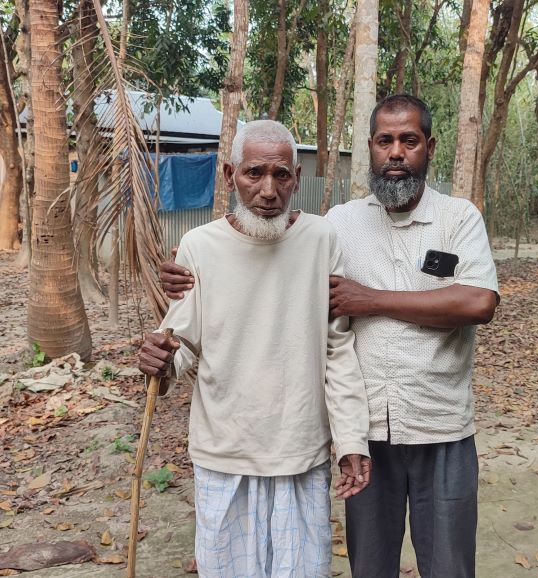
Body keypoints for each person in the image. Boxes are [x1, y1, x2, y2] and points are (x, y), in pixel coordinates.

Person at [161, 95, 499, 577]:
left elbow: (479, 303)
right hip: (369, 432)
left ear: (430, 147)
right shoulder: (341, 223)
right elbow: (270, 235)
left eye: (409, 141)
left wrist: (372, 299)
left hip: (440, 422)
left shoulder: (458, 218)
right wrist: (197, 256)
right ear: (370, 147)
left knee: (449, 566)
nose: (396, 152)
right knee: (370, 566)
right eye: (385, 141)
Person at [138, 119, 371, 578]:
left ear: (296, 179)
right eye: (254, 173)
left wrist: (351, 440)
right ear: (230, 176)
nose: (268, 190)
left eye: (281, 175)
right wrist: (161, 361)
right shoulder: (199, 246)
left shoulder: (321, 239)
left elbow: (338, 349)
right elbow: (182, 344)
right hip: (224, 452)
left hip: (299, 451)